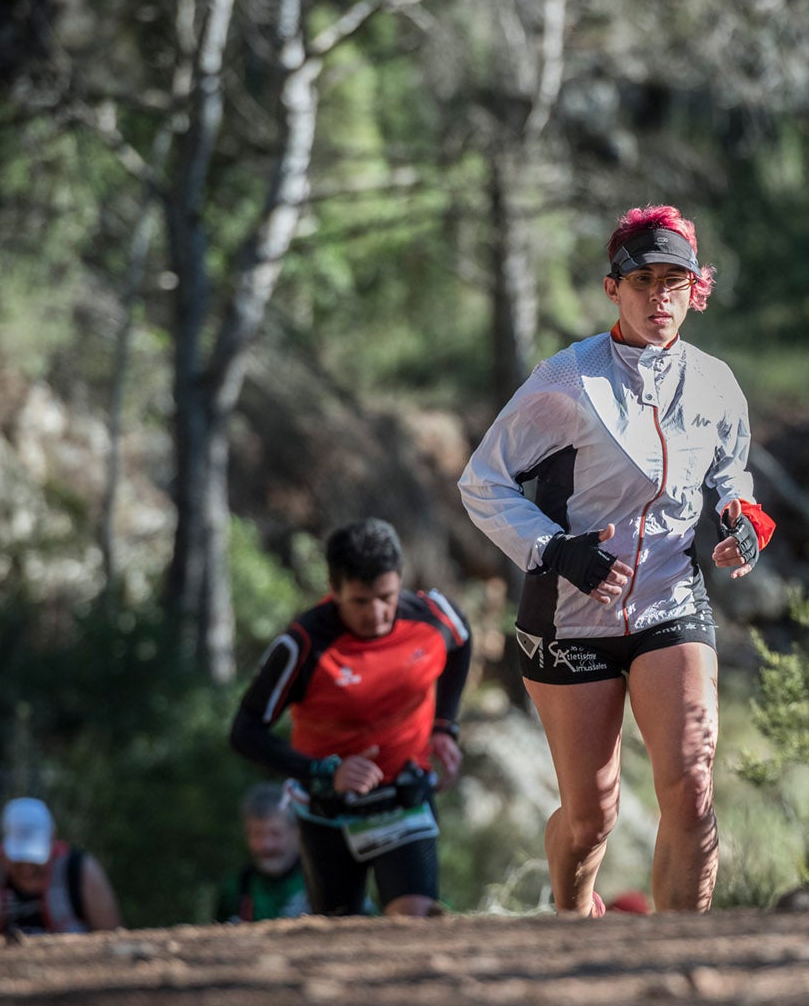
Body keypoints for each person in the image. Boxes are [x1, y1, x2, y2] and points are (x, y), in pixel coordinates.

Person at [459, 204, 774, 916]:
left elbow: (731, 475)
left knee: (692, 792)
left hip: (671, 601)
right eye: (643, 281)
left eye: (675, 282)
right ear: (613, 288)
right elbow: (483, 481)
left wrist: (743, 519)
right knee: (590, 815)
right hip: (571, 615)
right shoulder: (568, 381)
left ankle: (675, 964)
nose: (659, 298)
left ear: (697, 289)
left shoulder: (718, 384)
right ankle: (572, 922)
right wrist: (559, 552)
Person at [230, 518, 472, 918]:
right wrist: (326, 772)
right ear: (334, 589)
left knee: (414, 917)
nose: (377, 613)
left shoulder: (432, 618)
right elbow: (244, 732)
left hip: (403, 797)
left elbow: (462, 642)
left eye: (387, 596)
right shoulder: (303, 645)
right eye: (360, 601)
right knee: (340, 929)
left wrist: (445, 726)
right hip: (327, 810)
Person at [0, 796, 122, 938]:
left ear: (53, 841)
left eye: (35, 859)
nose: (27, 868)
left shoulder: (80, 871)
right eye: (18, 859)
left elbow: (112, 937)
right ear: (2, 847)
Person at [215, 780, 312, 923]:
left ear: (297, 832)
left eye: (275, 833)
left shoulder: (316, 882)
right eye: (257, 834)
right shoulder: (235, 889)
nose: (266, 845)